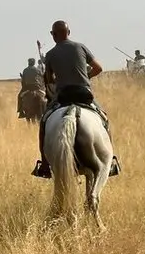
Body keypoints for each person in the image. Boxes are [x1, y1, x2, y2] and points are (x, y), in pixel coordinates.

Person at [32, 21, 118, 179]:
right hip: (84, 93)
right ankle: (111, 160)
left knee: (44, 122)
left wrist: (57, 79)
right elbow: (98, 68)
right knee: (104, 119)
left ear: (53, 35)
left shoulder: (50, 54)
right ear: (69, 32)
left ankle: (44, 165)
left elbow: (48, 79)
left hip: (63, 95)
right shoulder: (81, 47)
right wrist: (86, 76)